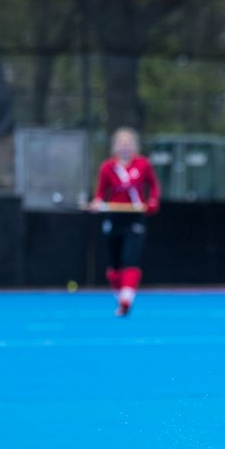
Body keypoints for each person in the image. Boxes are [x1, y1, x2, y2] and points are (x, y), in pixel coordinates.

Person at [90, 127, 160, 316]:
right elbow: (100, 193)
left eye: (128, 143)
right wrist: (97, 203)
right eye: (121, 143)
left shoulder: (143, 165)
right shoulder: (107, 167)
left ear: (134, 146)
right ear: (115, 146)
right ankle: (121, 297)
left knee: (131, 259)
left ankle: (126, 299)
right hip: (113, 217)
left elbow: (153, 188)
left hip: (135, 218)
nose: (125, 147)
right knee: (114, 267)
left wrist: (152, 202)